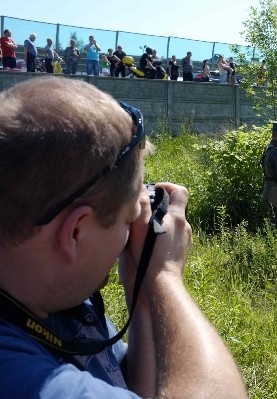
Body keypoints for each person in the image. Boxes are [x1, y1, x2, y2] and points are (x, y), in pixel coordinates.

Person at [0, 76, 247, 398]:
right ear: (75, 232)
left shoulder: (49, 294)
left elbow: (132, 388)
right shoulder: (20, 377)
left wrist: (141, 291)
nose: (131, 235)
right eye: (129, 219)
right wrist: (164, 275)